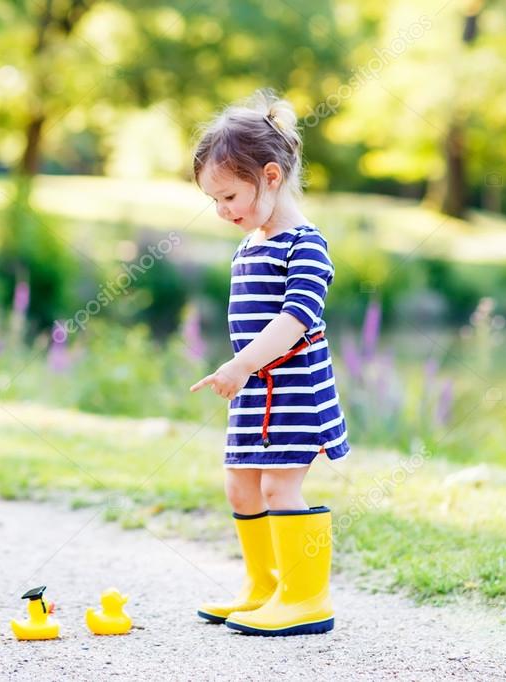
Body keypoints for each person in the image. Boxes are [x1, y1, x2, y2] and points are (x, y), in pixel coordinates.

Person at [189, 89, 349, 636]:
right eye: (214, 200)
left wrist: (238, 367)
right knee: (241, 485)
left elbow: (295, 319)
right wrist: (243, 371)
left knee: (281, 486)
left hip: (295, 386)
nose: (222, 210)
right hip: (258, 388)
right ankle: (264, 587)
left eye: (229, 195)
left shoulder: (306, 244)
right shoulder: (251, 244)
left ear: (272, 177)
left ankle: (306, 598)